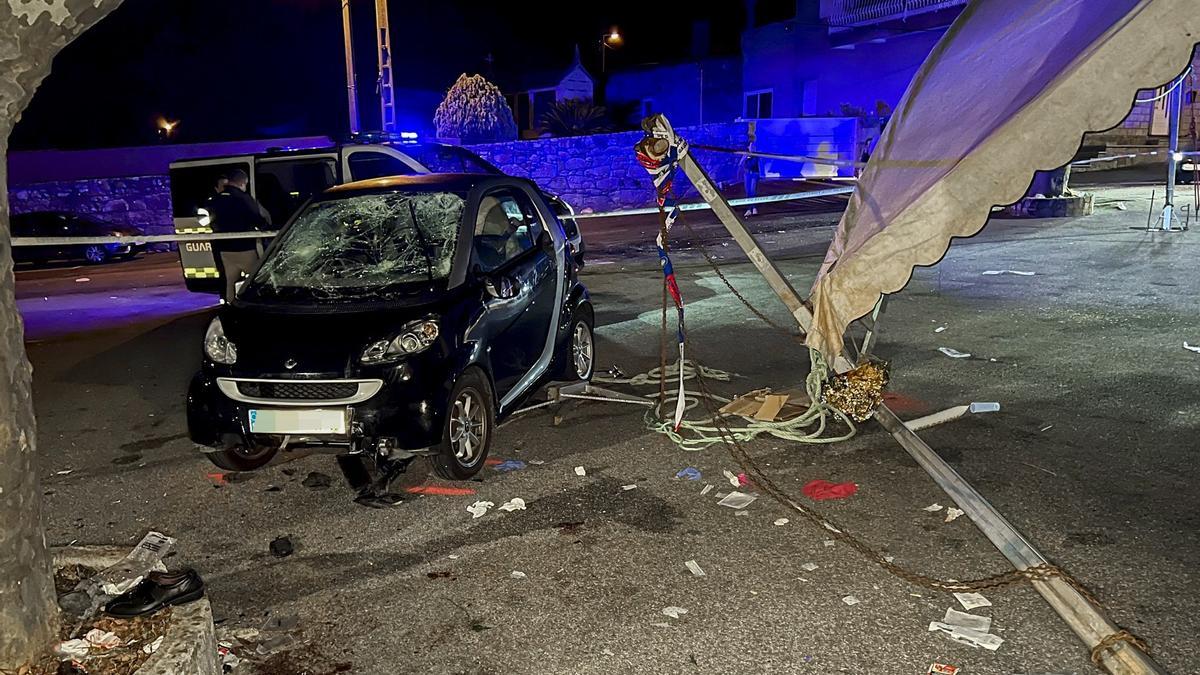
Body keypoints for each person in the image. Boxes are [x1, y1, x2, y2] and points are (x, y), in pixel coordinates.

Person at [206, 169, 271, 302]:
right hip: (245, 248)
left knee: (230, 282)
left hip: (224, 249)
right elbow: (257, 219)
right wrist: (268, 228)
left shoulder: (215, 200)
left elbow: (211, 221)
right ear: (243, 182)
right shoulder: (243, 198)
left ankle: (230, 306)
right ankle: (262, 303)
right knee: (258, 278)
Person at [743, 142, 761, 217]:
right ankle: (749, 209)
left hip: (754, 174)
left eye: (753, 146)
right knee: (747, 192)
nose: (752, 147)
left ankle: (754, 208)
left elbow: (752, 164)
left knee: (752, 191)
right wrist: (745, 158)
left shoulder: (756, 156)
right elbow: (743, 165)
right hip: (747, 175)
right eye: (751, 146)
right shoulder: (746, 155)